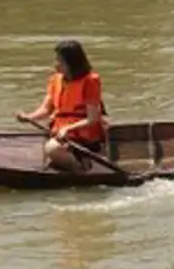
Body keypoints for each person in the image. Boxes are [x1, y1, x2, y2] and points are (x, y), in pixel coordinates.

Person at [16, 39, 108, 172]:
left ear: (72, 63)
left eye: (60, 61)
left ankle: (80, 170)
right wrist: (29, 117)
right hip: (60, 133)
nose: (56, 65)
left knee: (52, 149)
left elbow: (92, 118)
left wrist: (68, 129)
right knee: (51, 147)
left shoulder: (90, 81)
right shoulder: (55, 80)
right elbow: (46, 109)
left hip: (83, 136)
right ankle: (67, 161)